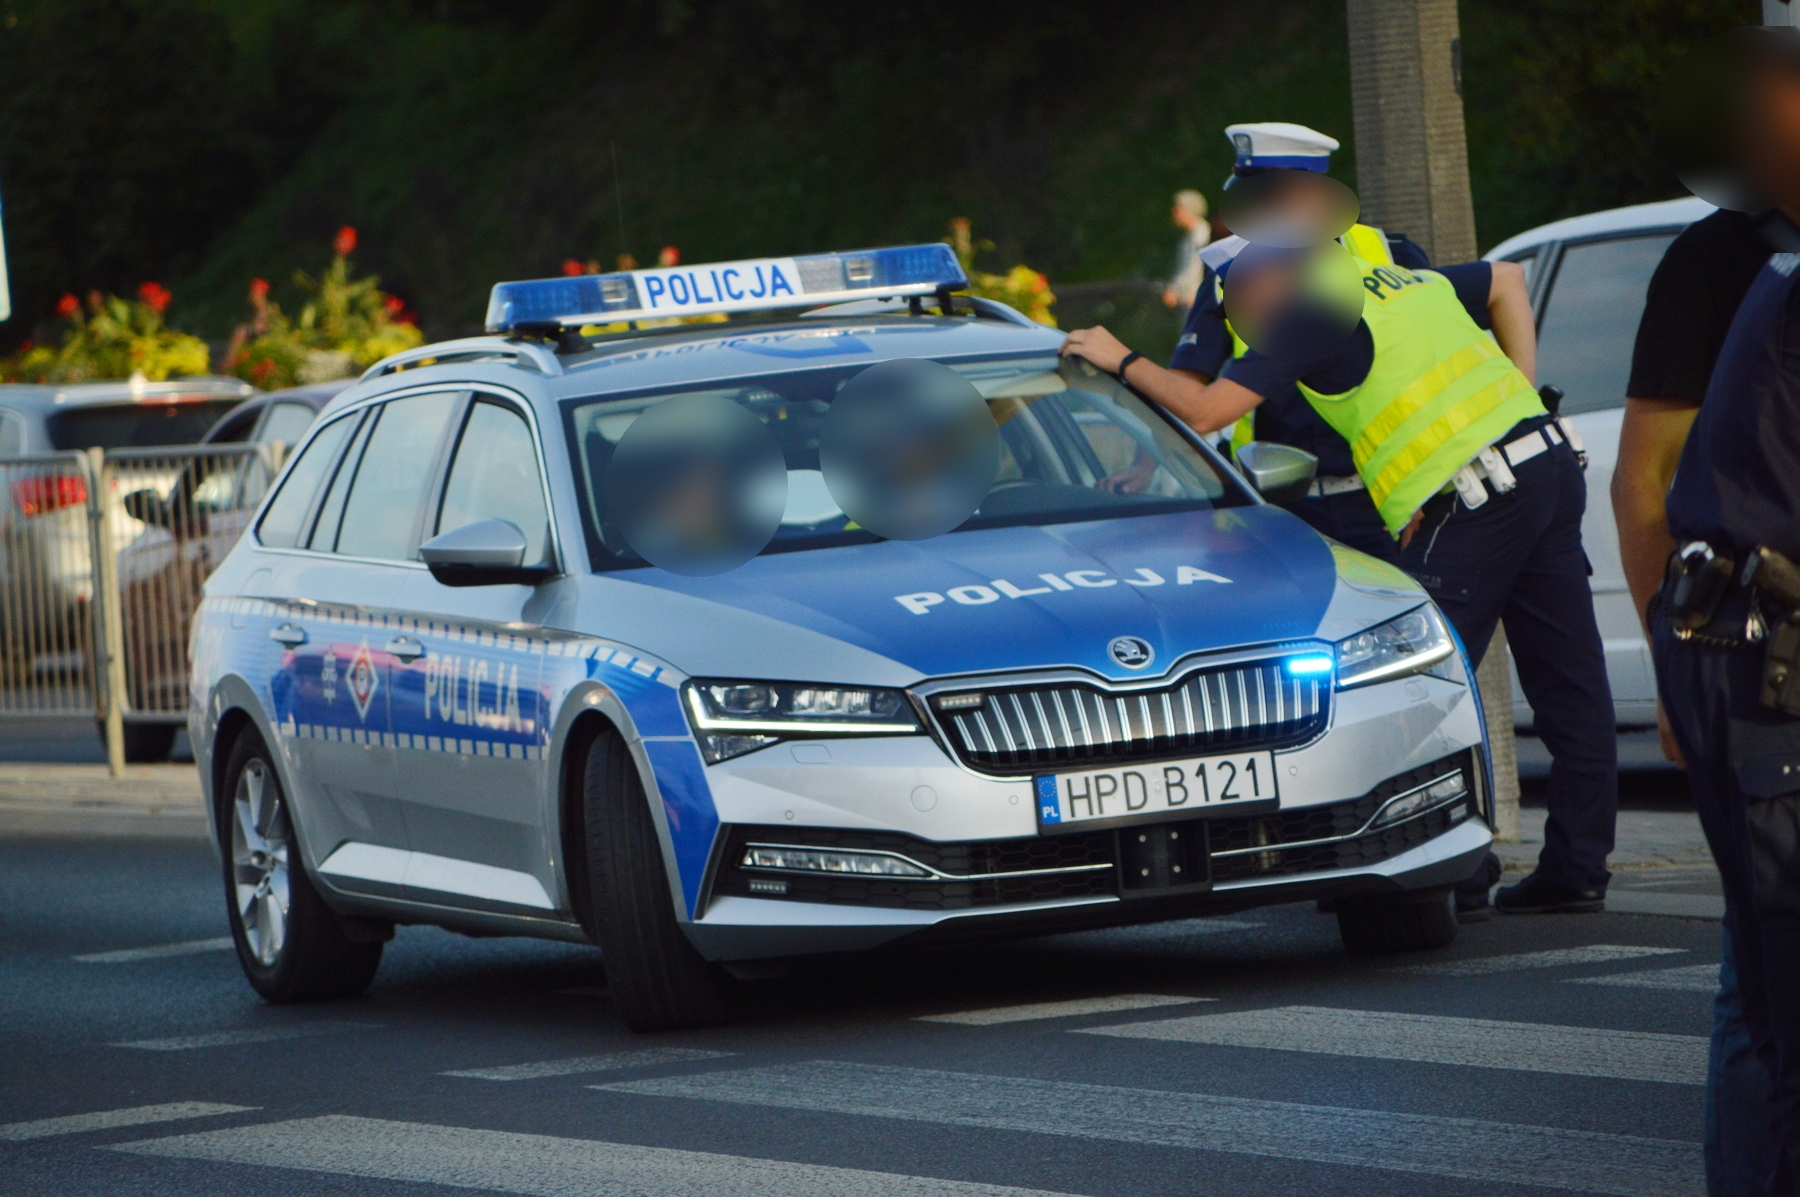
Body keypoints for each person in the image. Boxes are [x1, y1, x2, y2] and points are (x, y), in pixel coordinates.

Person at [1063, 223, 1619, 919]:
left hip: (1483, 491)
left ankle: (1443, 871)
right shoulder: (1393, 281)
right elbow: (1499, 290)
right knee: (1569, 678)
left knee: (1416, 681)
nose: (1241, 320)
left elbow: (1206, 410)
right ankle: (1577, 867)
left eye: (1237, 299)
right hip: (1544, 461)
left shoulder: (1310, 311)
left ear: (1274, 276)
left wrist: (1121, 360)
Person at [1652, 34, 1800, 1188]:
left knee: (1761, 997)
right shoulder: (1750, 265)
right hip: (1766, 673)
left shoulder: (1777, 266)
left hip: (1735, 652)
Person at [1617, 202, 1779, 1197]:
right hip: (1768, 678)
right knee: (1760, 984)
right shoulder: (1724, 257)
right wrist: (1676, 672)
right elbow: (1645, 484)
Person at [1169, 123, 1430, 567]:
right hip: (1276, 510)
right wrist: (1143, 462)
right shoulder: (1229, 273)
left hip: (1382, 503)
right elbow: (1185, 385)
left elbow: (1426, 370)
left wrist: (1424, 486)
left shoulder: (1390, 255)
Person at [1163, 189, 1213, 311]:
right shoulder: (1188, 237)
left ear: (1189, 210)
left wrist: (1175, 290)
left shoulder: (1202, 234)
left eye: (1178, 208)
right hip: (1188, 301)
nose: (1174, 212)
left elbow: (1195, 266)